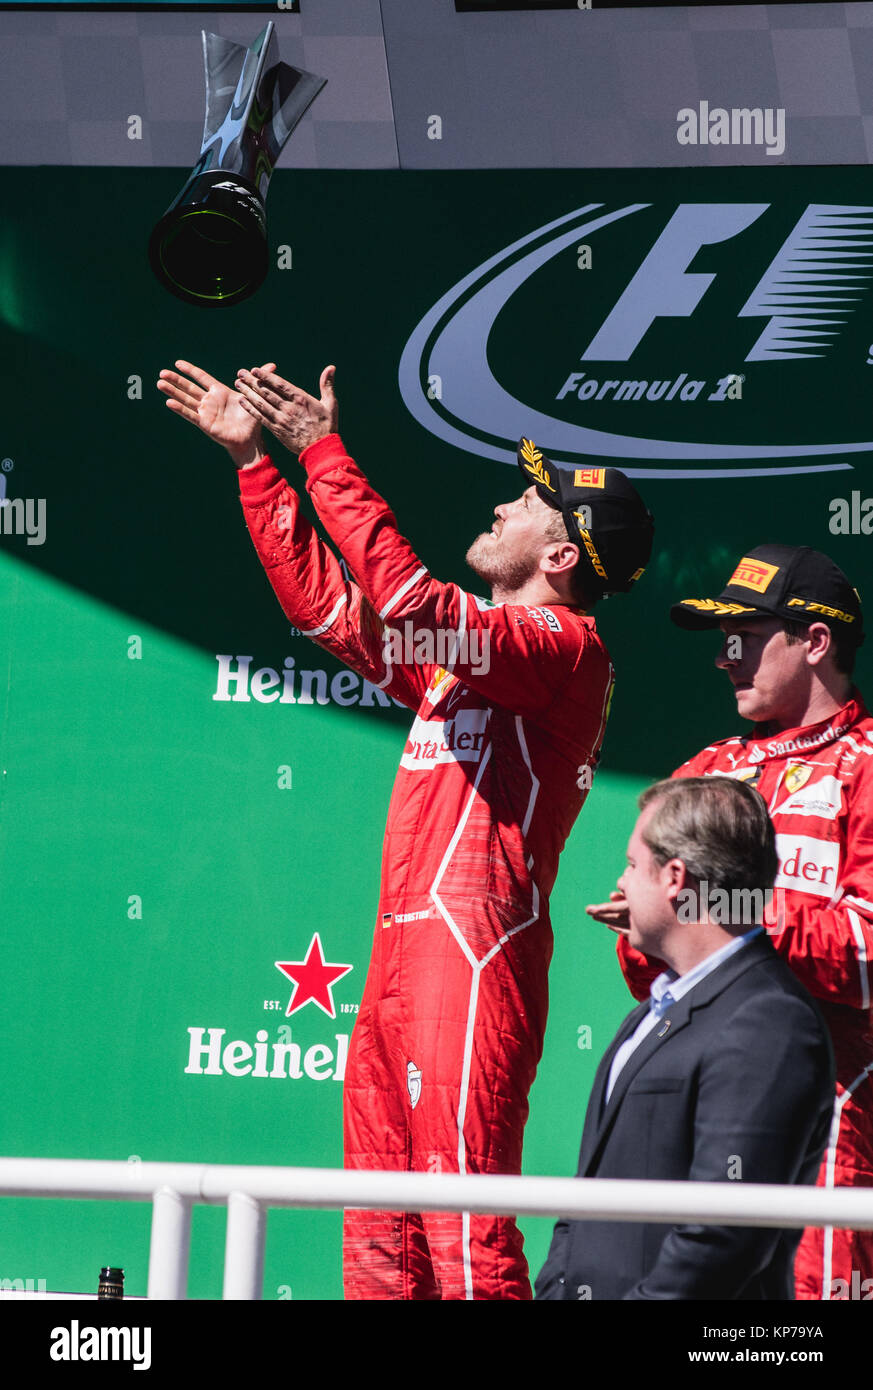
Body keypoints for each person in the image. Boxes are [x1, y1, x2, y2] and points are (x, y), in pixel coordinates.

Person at [156, 358, 654, 1300]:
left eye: (527, 505)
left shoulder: (561, 648)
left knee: (464, 1232)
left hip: (472, 955)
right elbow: (336, 611)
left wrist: (323, 453)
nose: (502, 508)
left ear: (560, 558)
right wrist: (258, 467)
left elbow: (409, 602)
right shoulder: (462, 659)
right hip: (400, 958)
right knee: (381, 1241)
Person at [589, 545, 873, 1301]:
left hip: (836, 1104)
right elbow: (656, 974)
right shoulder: (700, 774)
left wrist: (730, 908)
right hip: (695, 1092)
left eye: (743, 636)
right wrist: (643, 926)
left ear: (814, 641)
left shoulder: (868, 766)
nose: (724, 659)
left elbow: (868, 956)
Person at [537, 776, 835, 1300]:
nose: (621, 884)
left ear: (675, 877)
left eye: (632, 865)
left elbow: (725, 1231)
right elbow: (584, 1205)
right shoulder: (652, 1013)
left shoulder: (768, 1021)